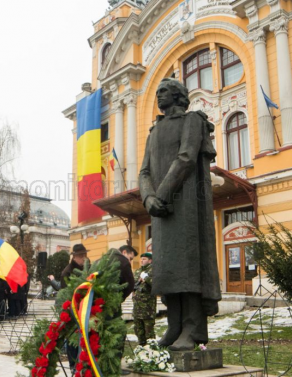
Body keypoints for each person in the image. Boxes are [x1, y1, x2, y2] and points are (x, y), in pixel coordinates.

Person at [139, 78, 221, 351]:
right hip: (160, 211)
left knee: (188, 267)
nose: (159, 96)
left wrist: (160, 195)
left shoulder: (192, 121)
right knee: (167, 269)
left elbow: (186, 157)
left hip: (186, 204)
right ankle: (174, 326)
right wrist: (148, 198)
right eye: (158, 92)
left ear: (178, 95)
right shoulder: (154, 131)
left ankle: (193, 329)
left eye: (164, 91)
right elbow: (144, 172)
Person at [48, 244, 89, 374]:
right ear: (75, 257)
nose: (84, 258)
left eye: (85, 255)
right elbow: (66, 292)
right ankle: (73, 366)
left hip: (85, 307)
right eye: (81, 256)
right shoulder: (68, 271)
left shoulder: (87, 268)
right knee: (72, 339)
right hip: (71, 309)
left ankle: (85, 363)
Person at [109, 246, 136, 376]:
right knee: (118, 333)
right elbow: (130, 284)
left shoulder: (102, 260)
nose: (130, 261)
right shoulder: (123, 262)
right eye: (130, 258)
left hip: (97, 305)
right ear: (124, 252)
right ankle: (114, 366)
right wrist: (120, 298)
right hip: (112, 305)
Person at [133, 252, 156, 345]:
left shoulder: (153, 271)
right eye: (141, 259)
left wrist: (146, 278)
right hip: (137, 306)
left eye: (144, 259)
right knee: (139, 331)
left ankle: (152, 352)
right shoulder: (138, 271)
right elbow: (133, 285)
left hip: (148, 307)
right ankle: (142, 351)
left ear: (150, 260)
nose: (142, 261)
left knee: (149, 332)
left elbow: (155, 284)